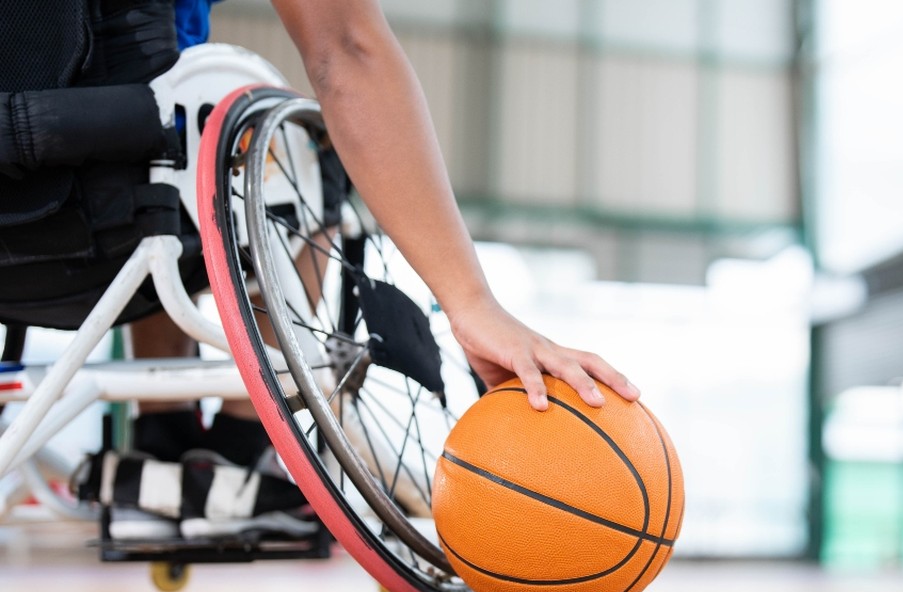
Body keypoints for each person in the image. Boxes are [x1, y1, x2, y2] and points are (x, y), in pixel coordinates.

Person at [107, 0, 640, 538]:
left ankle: (161, 435)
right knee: (295, 159)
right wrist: (471, 302)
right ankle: (241, 443)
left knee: (141, 152)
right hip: (128, 197)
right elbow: (346, 47)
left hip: (30, 235)